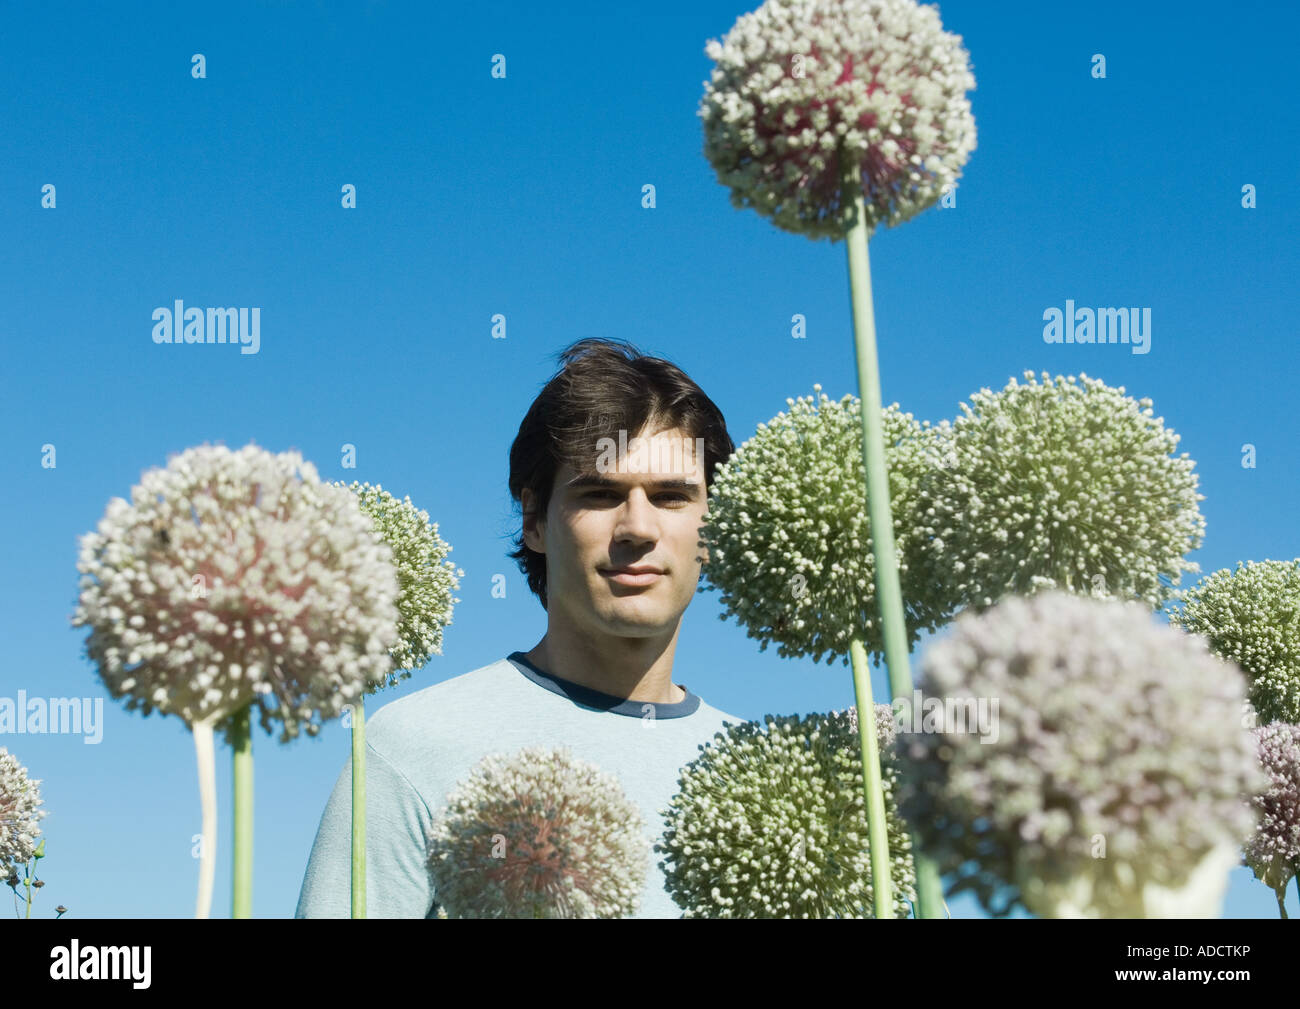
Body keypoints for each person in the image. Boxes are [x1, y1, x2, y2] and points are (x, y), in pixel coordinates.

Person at [294, 337, 743, 918]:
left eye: (672, 496)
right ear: (533, 519)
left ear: (717, 524)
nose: (638, 527)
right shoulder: (413, 745)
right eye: (601, 493)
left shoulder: (762, 773)